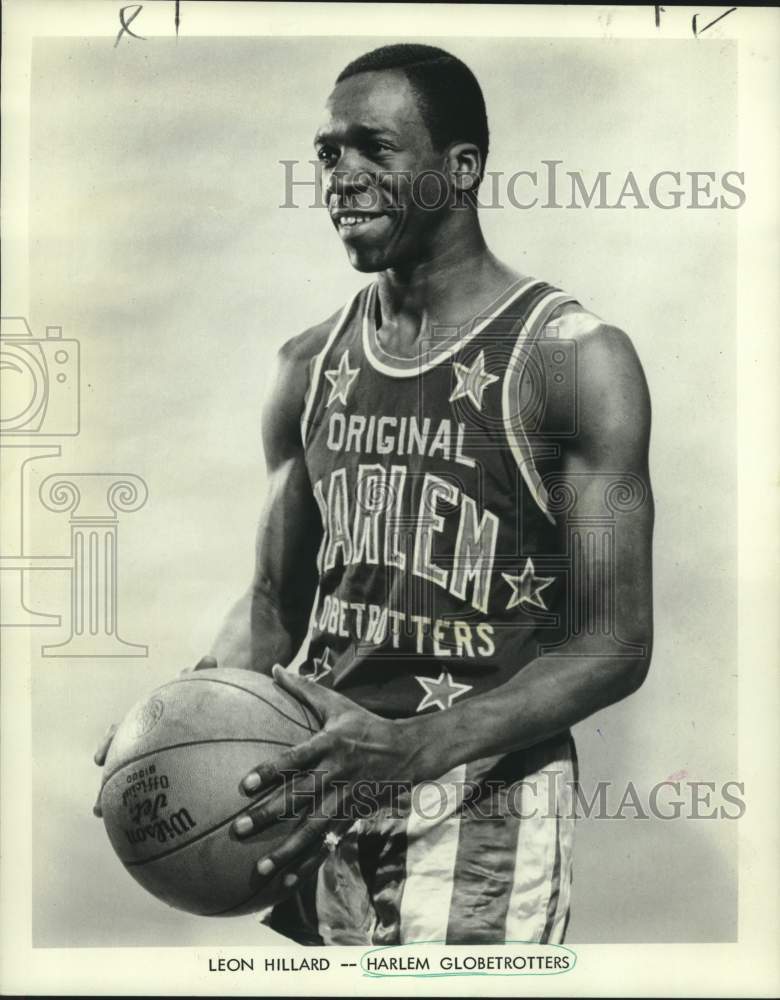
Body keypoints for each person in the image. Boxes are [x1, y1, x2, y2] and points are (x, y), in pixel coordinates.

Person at [95, 43, 654, 946]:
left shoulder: (571, 359)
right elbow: (279, 601)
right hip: (314, 787)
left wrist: (416, 747)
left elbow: (615, 643)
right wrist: (169, 723)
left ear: (460, 169)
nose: (342, 178)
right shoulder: (308, 365)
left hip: (479, 803)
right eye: (327, 154)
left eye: (374, 149)